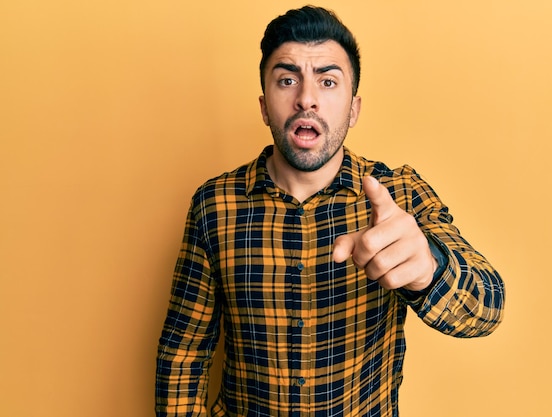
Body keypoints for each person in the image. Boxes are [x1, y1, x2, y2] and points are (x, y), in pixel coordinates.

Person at [155, 5, 505, 416]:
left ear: (353, 109)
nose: (307, 99)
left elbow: (486, 308)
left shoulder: (401, 195)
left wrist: (429, 269)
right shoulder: (215, 205)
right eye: (287, 80)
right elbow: (183, 355)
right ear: (265, 105)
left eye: (328, 81)